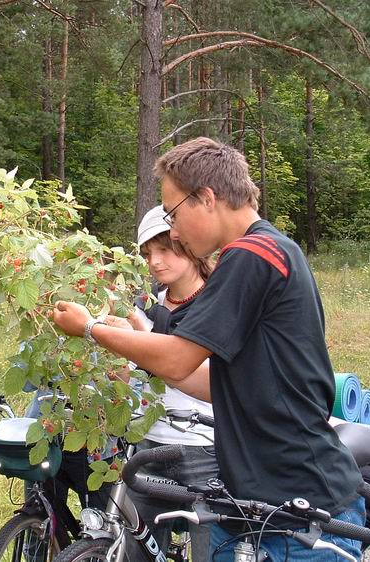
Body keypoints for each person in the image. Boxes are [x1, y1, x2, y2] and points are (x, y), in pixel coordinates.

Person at [53, 137, 365, 560]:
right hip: (251, 507)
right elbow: (210, 380)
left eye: (174, 215)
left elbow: (179, 357)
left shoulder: (252, 255)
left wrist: (89, 328)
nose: (175, 232)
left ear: (206, 198)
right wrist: (136, 344)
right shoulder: (270, 250)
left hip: (296, 507)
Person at [123, 205, 218, 561]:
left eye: (164, 249)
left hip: (204, 448)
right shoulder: (149, 303)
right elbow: (135, 373)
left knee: (210, 550)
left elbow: (182, 367)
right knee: (139, 548)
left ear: (189, 245)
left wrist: (137, 329)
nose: (155, 261)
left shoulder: (215, 302)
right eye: (147, 253)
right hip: (149, 444)